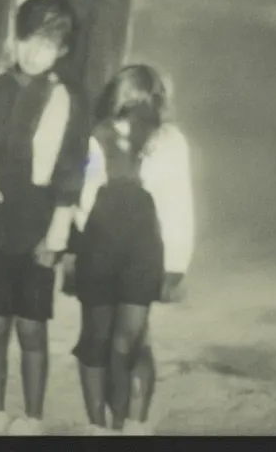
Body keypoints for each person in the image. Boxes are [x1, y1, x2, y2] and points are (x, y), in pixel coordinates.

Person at [0, 0, 88, 436]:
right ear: (16, 38)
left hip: (39, 225)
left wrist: (58, 228)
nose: (35, 53)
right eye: (29, 40)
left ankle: (32, 418)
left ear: (63, 51)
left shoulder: (67, 100)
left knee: (32, 328)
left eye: (48, 45)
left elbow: (73, 166)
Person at [67, 65, 194, 435]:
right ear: (115, 102)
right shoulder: (95, 138)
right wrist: (74, 256)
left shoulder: (170, 142)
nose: (135, 115)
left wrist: (176, 263)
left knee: (131, 339)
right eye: (128, 105)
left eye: (145, 105)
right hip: (99, 250)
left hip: (143, 252)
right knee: (96, 337)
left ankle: (133, 423)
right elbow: (82, 201)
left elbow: (178, 205)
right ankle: (98, 425)